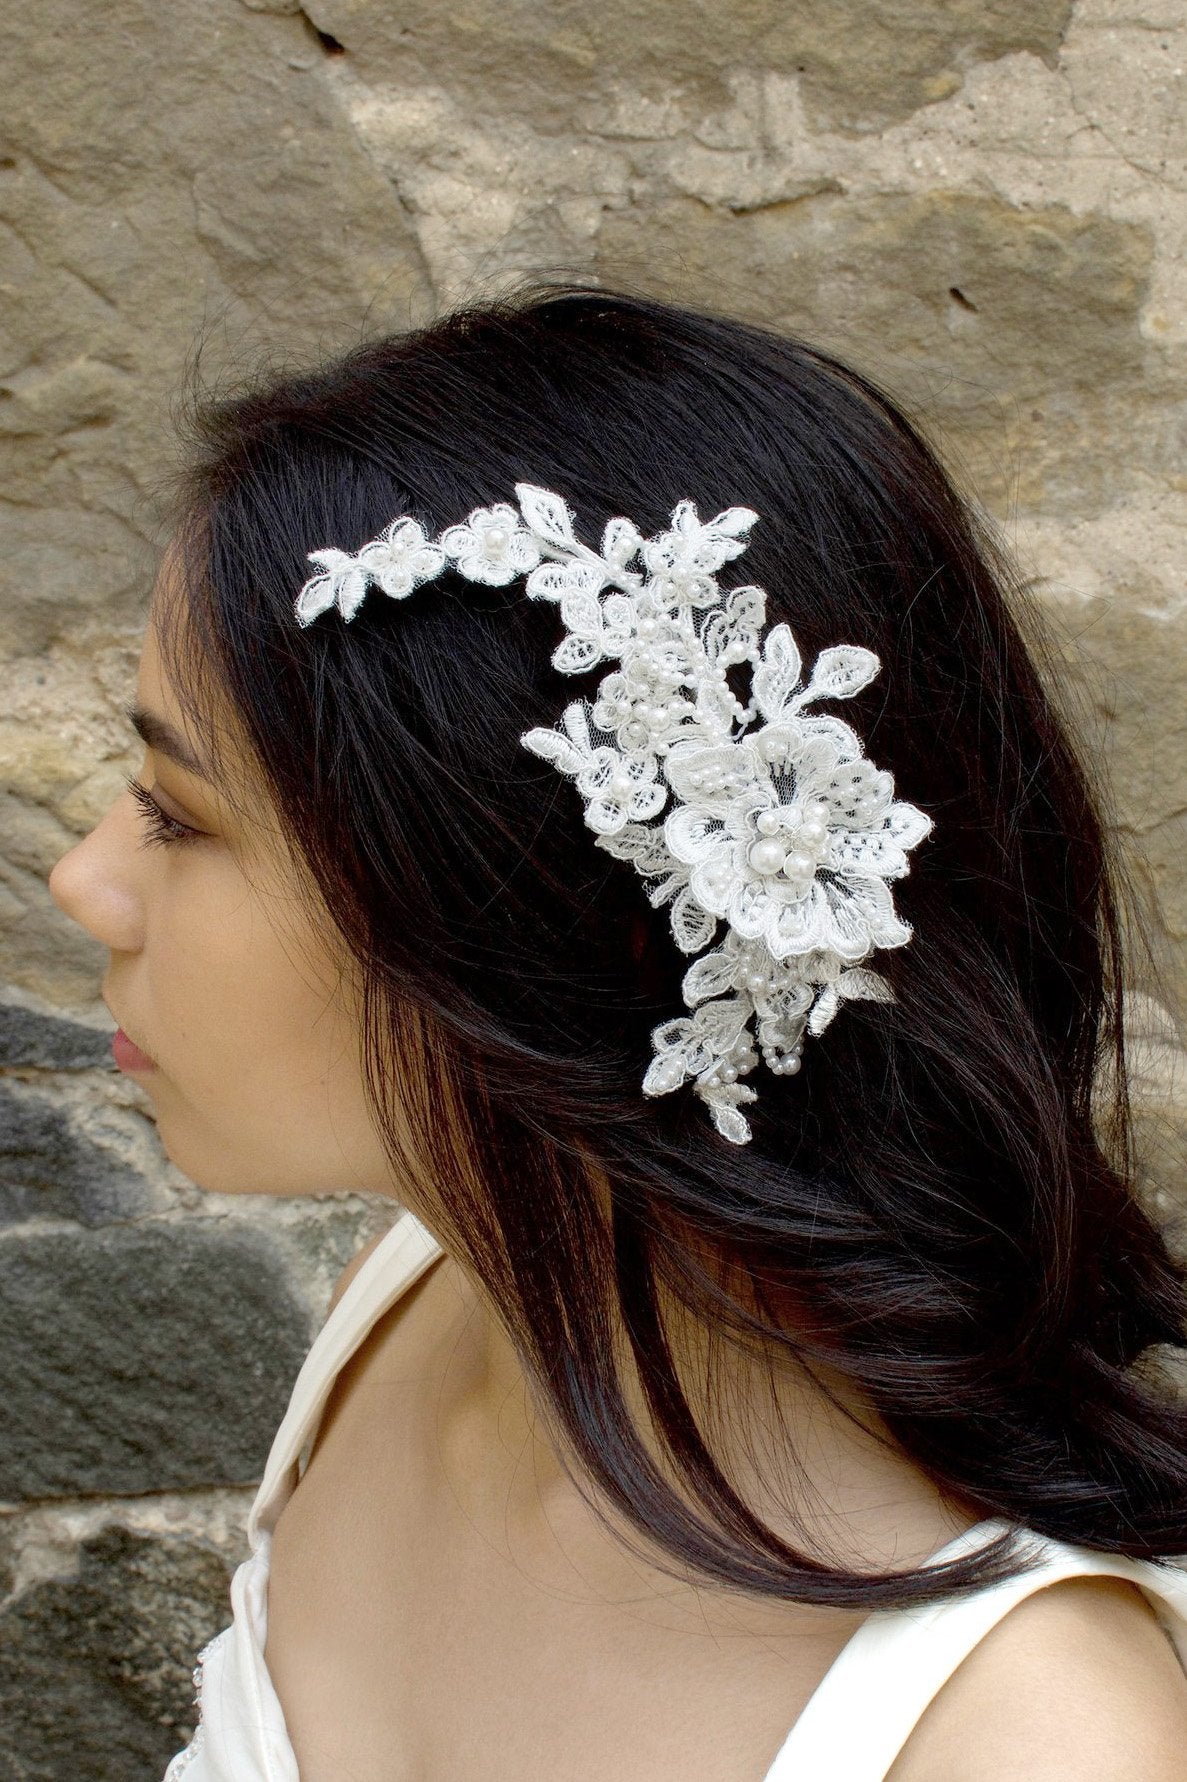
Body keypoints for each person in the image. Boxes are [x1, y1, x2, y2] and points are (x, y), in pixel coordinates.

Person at [48, 284, 1187, 1781]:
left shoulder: (1026, 1740)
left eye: (181, 814)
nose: (85, 880)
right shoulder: (427, 1299)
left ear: (533, 920)